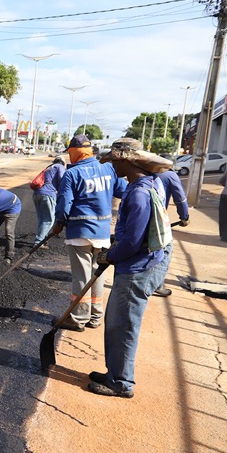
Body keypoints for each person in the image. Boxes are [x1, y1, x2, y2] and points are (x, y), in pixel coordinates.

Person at [88, 139, 173, 398]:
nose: (112, 165)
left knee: (123, 325)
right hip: (136, 265)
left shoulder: (138, 193)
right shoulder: (144, 184)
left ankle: (121, 383)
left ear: (127, 160)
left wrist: (110, 256)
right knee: (115, 322)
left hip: (137, 270)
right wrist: (115, 249)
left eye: (114, 160)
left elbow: (134, 241)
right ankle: (113, 372)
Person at [50, 134, 128, 331]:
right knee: (97, 274)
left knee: (82, 276)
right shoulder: (108, 169)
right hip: (101, 233)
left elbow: (63, 204)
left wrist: (59, 223)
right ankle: (95, 316)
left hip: (79, 233)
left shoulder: (72, 174)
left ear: (74, 152)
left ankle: (78, 318)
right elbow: (124, 190)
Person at [152, 167, 190, 297]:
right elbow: (180, 198)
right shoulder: (170, 175)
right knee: (165, 249)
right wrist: (184, 217)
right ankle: (157, 285)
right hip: (158, 218)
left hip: (139, 214)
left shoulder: (145, 172)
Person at [31, 156, 66, 248]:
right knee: (49, 220)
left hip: (36, 194)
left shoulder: (48, 168)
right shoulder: (60, 167)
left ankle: (42, 240)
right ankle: (38, 242)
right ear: (63, 163)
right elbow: (63, 180)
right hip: (48, 194)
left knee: (42, 219)